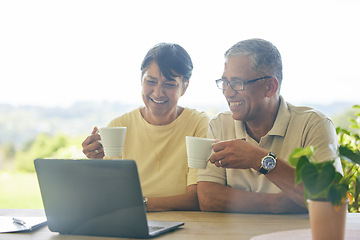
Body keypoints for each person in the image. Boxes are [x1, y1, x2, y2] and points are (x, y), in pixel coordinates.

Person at [197, 38, 343, 214]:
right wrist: (275, 204)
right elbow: (208, 198)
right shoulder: (219, 124)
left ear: (270, 87)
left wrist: (258, 159)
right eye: (225, 83)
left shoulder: (314, 125)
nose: (227, 93)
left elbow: (327, 198)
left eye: (237, 83)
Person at [82, 43, 210, 211]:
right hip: (130, 222)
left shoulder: (199, 124)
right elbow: (110, 194)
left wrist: (138, 204)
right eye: (151, 82)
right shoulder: (118, 126)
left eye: (169, 84)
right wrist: (96, 163)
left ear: (184, 87)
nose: (158, 92)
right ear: (141, 80)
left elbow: (196, 199)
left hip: (184, 224)